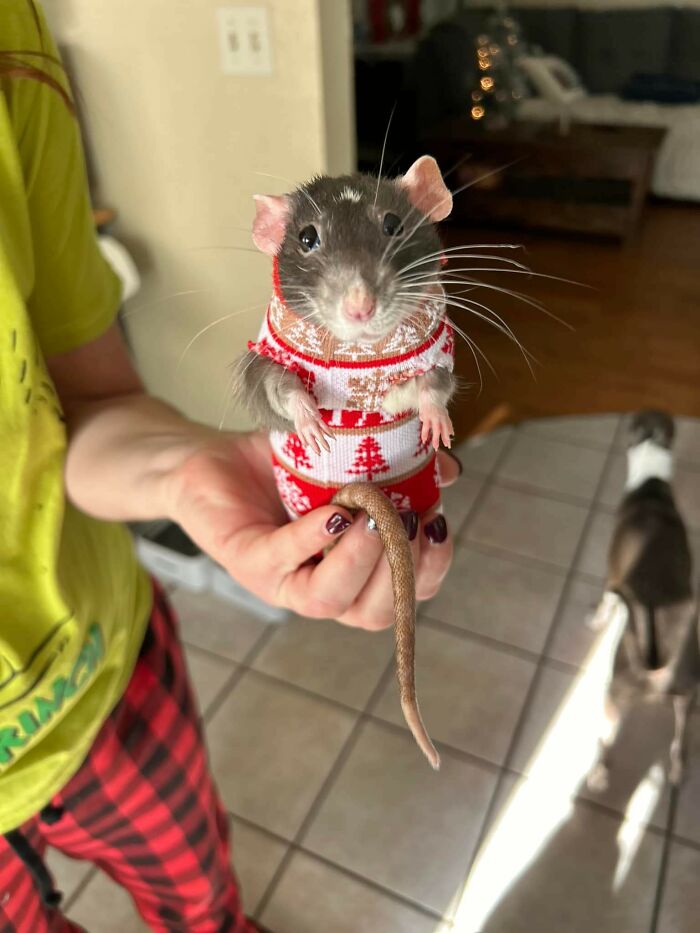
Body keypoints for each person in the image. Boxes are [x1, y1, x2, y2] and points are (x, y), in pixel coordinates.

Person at [0, 2, 456, 930]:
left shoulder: (13, 38)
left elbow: (84, 404)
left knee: (205, 907)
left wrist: (188, 470)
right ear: (273, 235)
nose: (364, 301)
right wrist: (293, 396)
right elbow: (277, 371)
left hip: (101, 669)